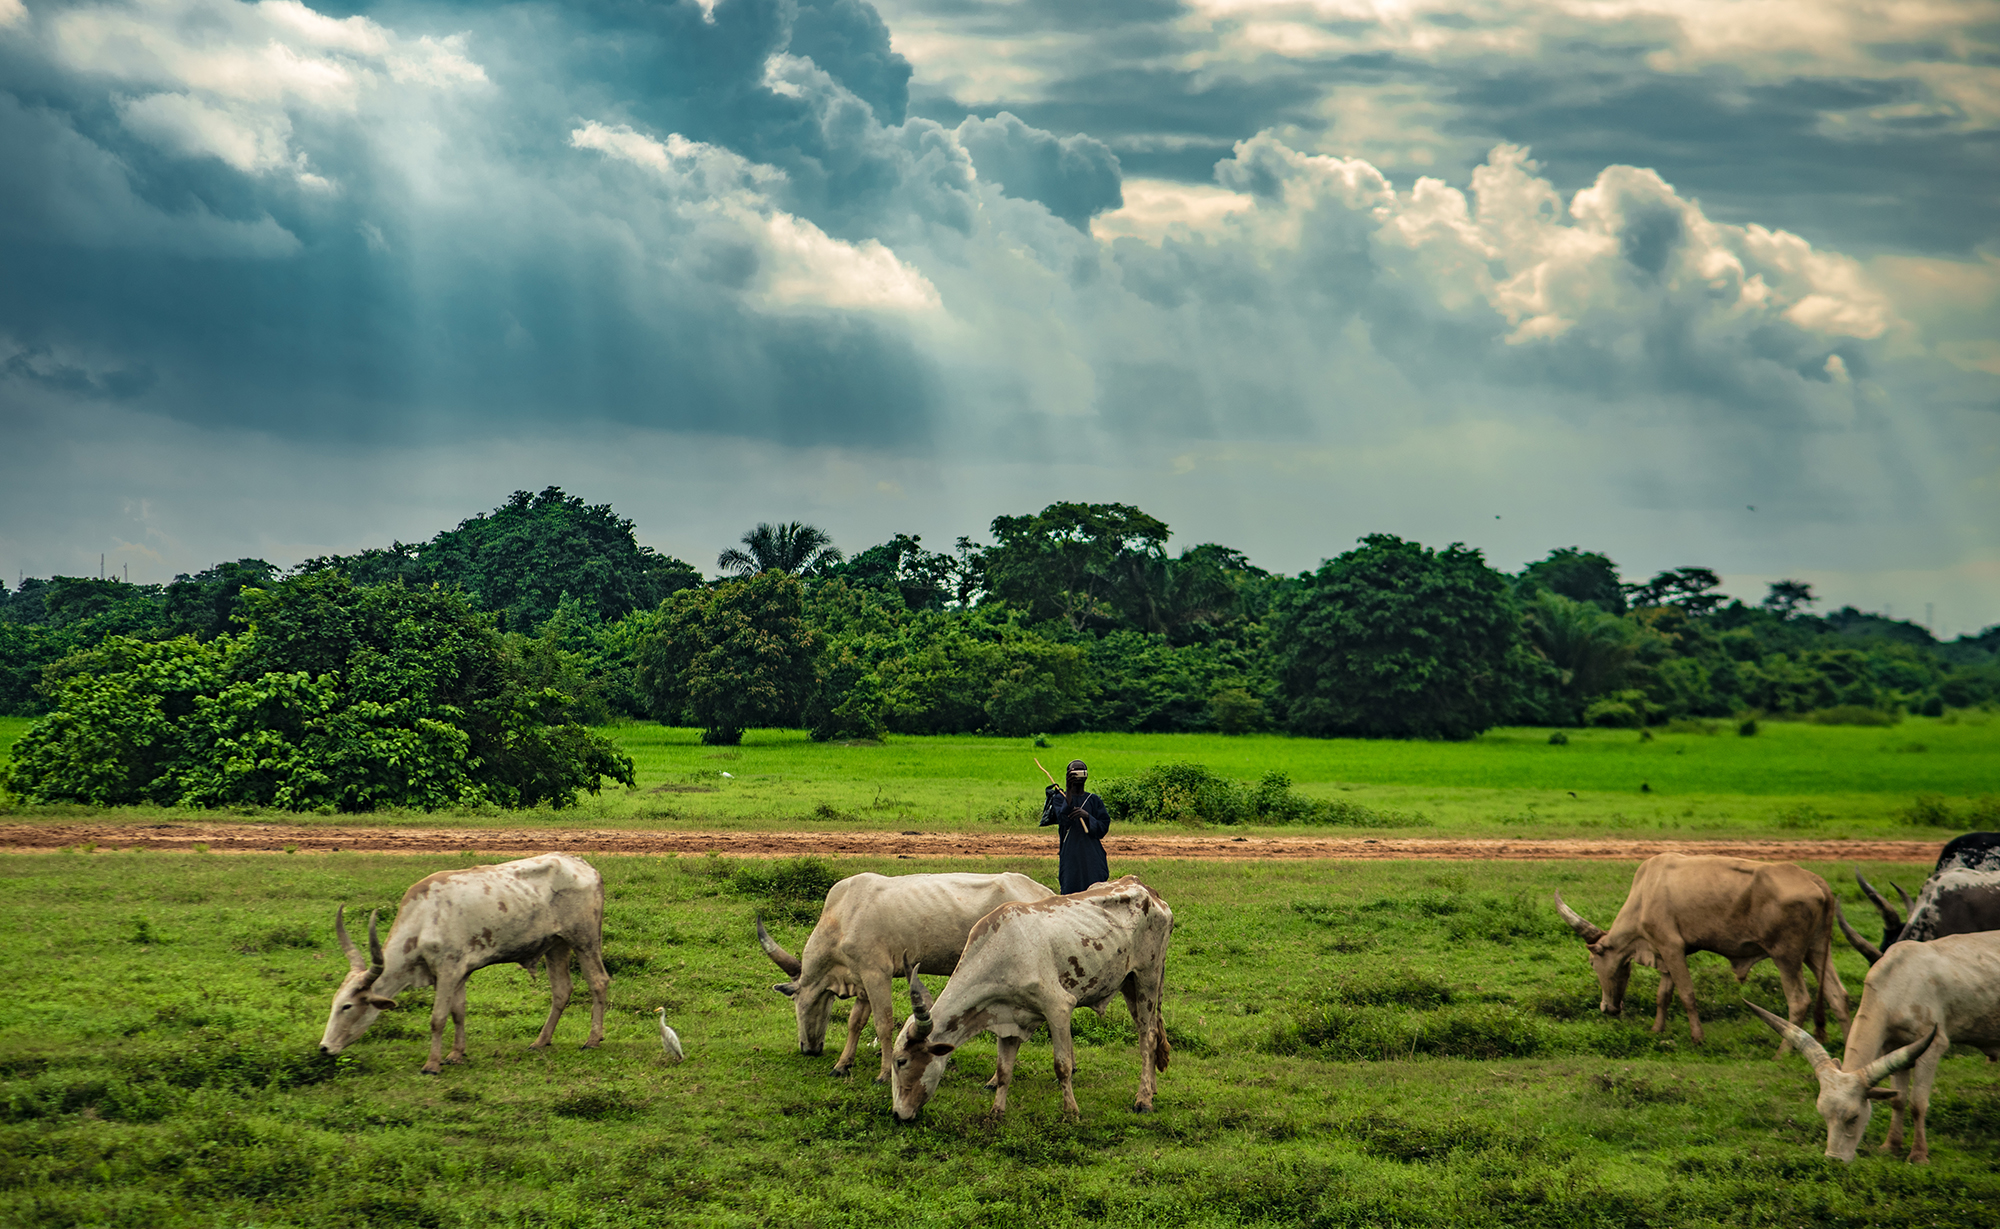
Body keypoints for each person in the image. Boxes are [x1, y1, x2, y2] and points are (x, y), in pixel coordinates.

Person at [1040, 758, 1110, 894]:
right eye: (1074, 773)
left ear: (1086, 775)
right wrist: (1069, 790)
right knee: (1070, 891)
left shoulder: (1094, 800)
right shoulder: (1059, 798)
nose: (1077, 777)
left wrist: (1087, 816)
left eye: (1080, 772)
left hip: (1092, 856)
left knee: (1095, 892)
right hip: (1071, 854)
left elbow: (1103, 828)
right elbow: (1063, 819)